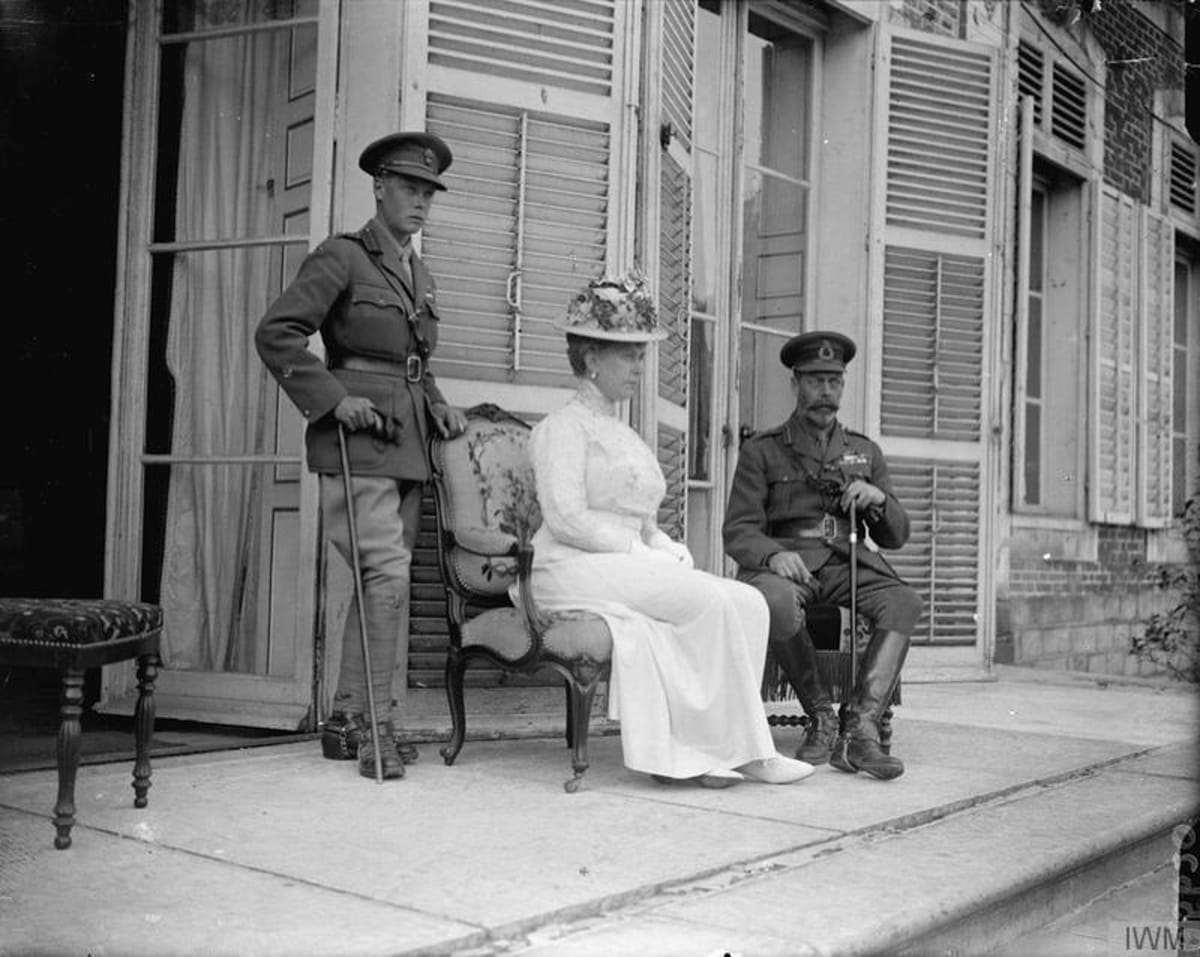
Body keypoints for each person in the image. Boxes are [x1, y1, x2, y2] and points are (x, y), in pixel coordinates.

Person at [521, 274, 813, 789]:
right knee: (707, 601)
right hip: (564, 567)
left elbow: (645, 518)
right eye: (628, 355)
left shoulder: (624, 435)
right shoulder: (560, 429)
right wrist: (636, 550)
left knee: (745, 601)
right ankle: (697, 752)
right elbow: (566, 518)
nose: (639, 366)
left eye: (640, 354)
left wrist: (660, 544)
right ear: (591, 359)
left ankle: (746, 748)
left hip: (619, 563)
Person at [256, 131, 467, 781]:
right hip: (355, 438)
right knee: (388, 579)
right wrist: (331, 397)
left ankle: (347, 716)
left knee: (381, 585)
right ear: (378, 187)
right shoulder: (343, 257)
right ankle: (379, 732)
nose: (420, 201)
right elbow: (278, 333)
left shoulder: (418, 273)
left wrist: (439, 403)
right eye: (409, 187)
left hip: (405, 446)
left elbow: (412, 364)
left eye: (428, 191)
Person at [723, 331, 922, 781]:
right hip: (787, 564)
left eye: (834, 381)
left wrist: (878, 500)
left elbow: (896, 536)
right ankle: (820, 715)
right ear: (795, 385)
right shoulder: (764, 450)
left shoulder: (864, 451)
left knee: (904, 601)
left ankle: (861, 726)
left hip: (846, 562)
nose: (826, 392)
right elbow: (737, 530)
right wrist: (772, 556)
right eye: (815, 381)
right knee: (774, 600)